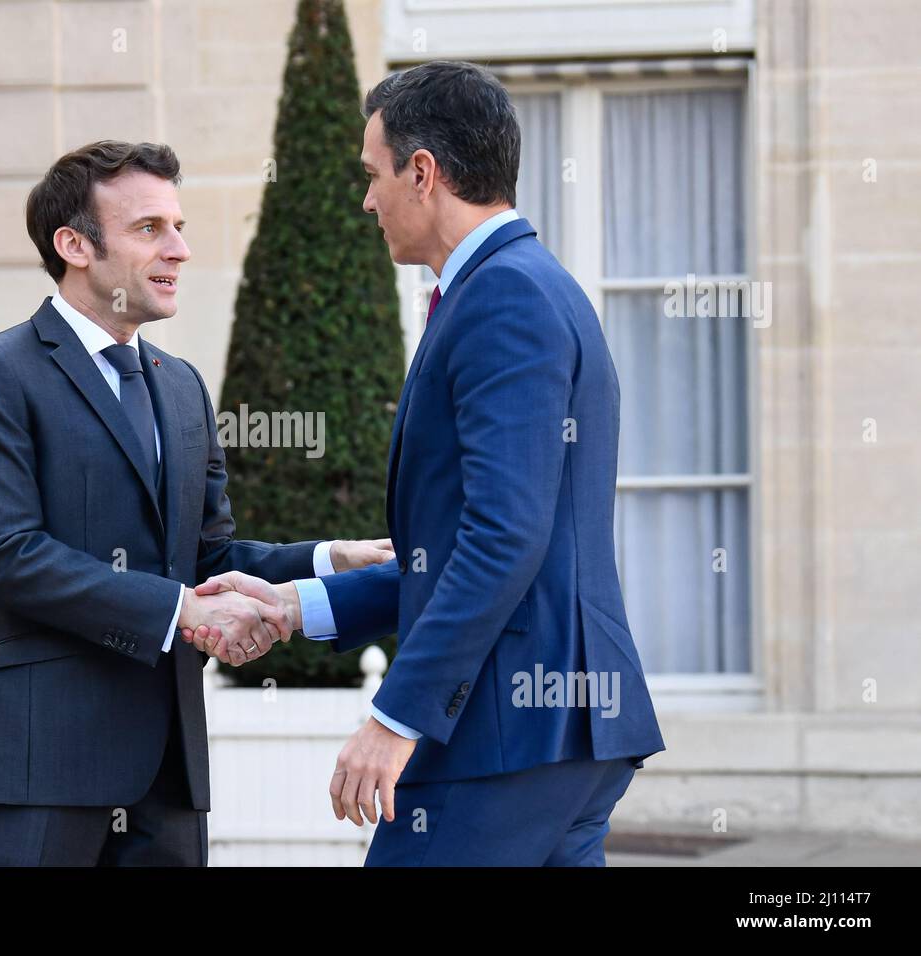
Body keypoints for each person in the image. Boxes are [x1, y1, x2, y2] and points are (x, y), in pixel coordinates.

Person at [185, 62, 666, 866]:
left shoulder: (503, 297)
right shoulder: (519, 285)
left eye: (372, 175)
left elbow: (503, 539)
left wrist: (395, 717)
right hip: (554, 734)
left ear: (423, 172)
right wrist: (292, 605)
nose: (367, 200)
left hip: (505, 735)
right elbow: (465, 552)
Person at [0, 140, 393, 866]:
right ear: (74, 245)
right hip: (33, 764)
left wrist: (328, 558)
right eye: (150, 229)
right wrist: (183, 612)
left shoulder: (181, 387)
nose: (178, 249)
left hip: (167, 771)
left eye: (179, 227)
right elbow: (8, 555)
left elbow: (204, 557)